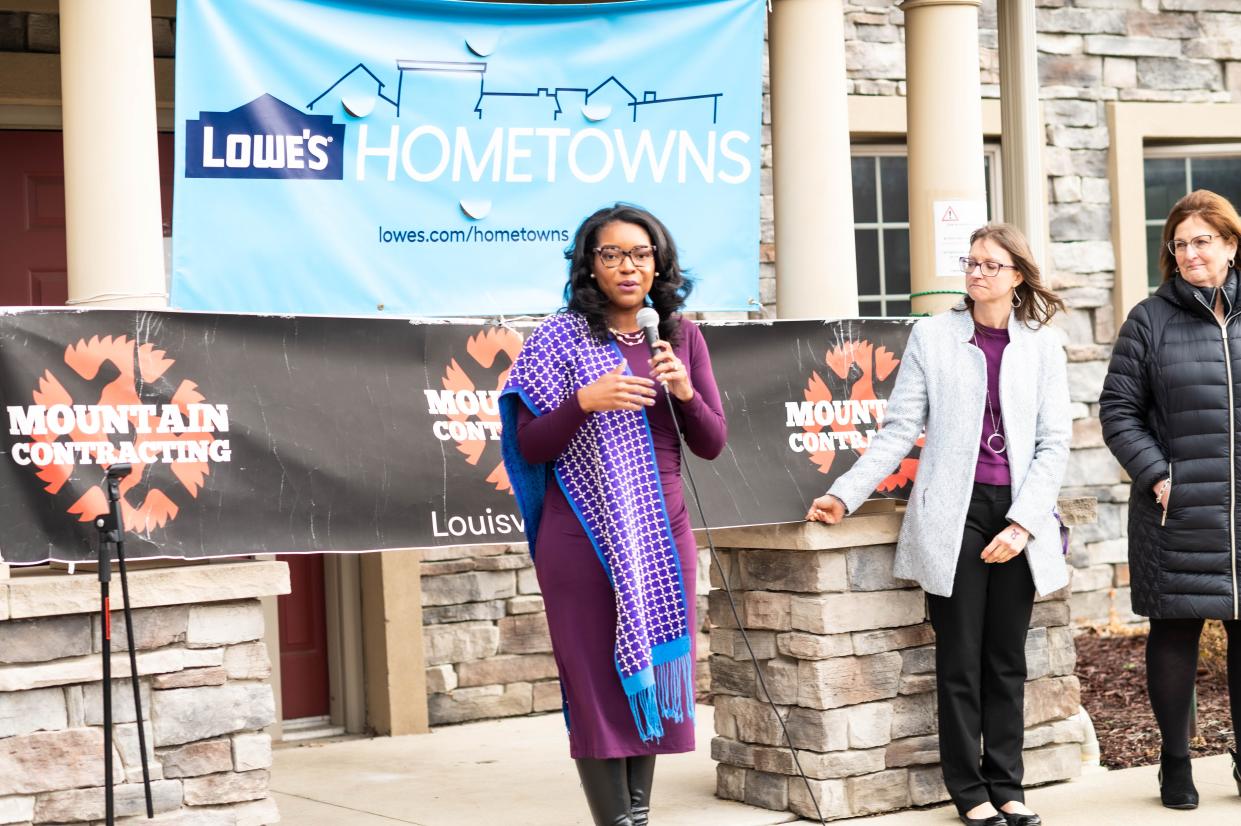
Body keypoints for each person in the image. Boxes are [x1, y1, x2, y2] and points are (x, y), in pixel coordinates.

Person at [806, 223, 1070, 826]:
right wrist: (845, 494)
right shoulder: (934, 336)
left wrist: (1025, 524)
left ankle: (1008, 784)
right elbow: (900, 429)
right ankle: (970, 793)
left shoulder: (1042, 346)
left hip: (1017, 513)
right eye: (970, 262)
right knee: (958, 657)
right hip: (954, 514)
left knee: (1006, 658)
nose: (976, 274)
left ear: (1018, 276)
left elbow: (1056, 445)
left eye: (990, 265)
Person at [499, 204, 727, 826]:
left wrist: (684, 392)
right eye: (612, 255)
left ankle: (636, 817)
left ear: (659, 264)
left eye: (641, 254)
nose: (628, 267)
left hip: (661, 531)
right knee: (596, 682)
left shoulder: (679, 336)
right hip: (580, 537)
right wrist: (582, 402)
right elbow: (530, 445)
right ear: (589, 266)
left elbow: (711, 443)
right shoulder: (558, 336)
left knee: (647, 669)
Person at [1099, 188, 1241, 810]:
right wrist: (1158, 473)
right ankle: (1175, 762)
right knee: (1175, 630)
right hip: (1174, 508)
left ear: (1232, 244)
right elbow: (1118, 411)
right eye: (1179, 244)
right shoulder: (1148, 320)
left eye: (1201, 241)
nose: (1189, 253)